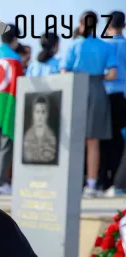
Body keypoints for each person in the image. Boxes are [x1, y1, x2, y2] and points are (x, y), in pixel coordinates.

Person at [61, 11, 119, 198]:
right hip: (97, 89)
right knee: (93, 141)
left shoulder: (74, 46)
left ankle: (72, 181)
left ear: (80, 24)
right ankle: (92, 184)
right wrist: (97, 77)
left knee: (74, 139)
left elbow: (64, 71)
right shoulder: (105, 46)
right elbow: (112, 74)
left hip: (76, 88)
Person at [0, 24, 22, 196]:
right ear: (15, 40)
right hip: (8, 105)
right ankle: (0, 182)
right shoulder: (15, 59)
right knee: (6, 144)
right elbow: (18, 86)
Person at [102, 11, 126, 197]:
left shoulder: (104, 46)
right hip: (123, 97)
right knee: (121, 142)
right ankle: (119, 182)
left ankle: (106, 181)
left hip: (105, 96)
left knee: (104, 140)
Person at [23, 95, 58, 163]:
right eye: (37, 112)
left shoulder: (51, 136)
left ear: (47, 114)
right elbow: (28, 156)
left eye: (43, 112)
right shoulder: (28, 135)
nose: (40, 116)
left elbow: (50, 157)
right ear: (33, 113)